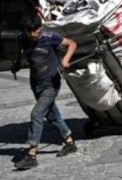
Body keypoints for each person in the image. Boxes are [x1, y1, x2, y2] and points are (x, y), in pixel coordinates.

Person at [13, 13, 79, 170]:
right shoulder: (22, 39)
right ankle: (70, 143)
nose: (33, 35)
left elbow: (72, 44)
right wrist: (16, 63)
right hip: (36, 84)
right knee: (52, 115)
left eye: (35, 31)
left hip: (51, 84)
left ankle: (31, 155)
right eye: (30, 32)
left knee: (37, 114)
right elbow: (17, 52)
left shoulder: (50, 37)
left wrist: (65, 60)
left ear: (40, 28)